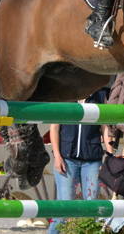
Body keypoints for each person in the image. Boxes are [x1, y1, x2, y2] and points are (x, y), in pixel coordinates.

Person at [48, 89, 107, 234]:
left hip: (92, 159)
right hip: (66, 159)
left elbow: (105, 127)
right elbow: (54, 128)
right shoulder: (64, 95)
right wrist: (57, 156)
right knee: (65, 205)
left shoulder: (100, 96)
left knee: (91, 204)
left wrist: (110, 155)